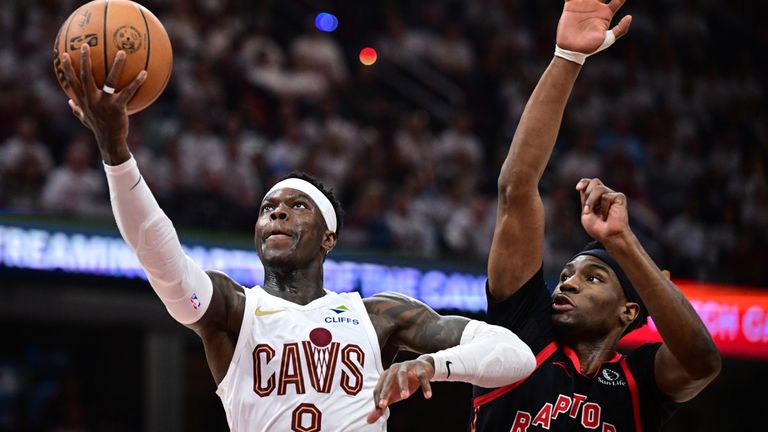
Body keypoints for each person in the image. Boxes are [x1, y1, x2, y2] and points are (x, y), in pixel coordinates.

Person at [59, 44, 536, 431]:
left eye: (297, 206)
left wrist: (431, 367)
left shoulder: (378, 316)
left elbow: (517, 356)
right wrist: (115, 151)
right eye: (268, 208)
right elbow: (156, 253)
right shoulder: (231, 310)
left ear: (328, 238)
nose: (278, 212)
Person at [473, 0, 721, 431]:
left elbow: (702, 362)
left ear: (628, 312)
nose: (567, 282)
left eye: (592, 278)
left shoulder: (639, 382)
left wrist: (621, 241)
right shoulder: (523, 331)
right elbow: (517, 188)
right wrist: (567, 56)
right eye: (567, 273)